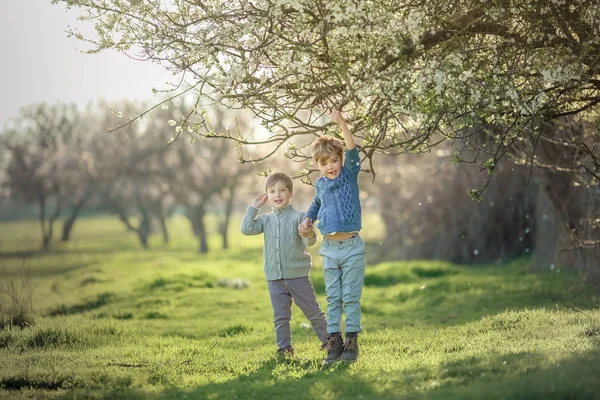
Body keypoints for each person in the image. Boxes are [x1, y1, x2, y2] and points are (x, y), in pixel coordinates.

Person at [298, 109, 365, 364]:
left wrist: (341, 123)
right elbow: (315, 205)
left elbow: (353, 151)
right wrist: (307, 220)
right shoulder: (320, 184)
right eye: (324, 164)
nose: (330, 167)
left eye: (334, 161)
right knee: (333, 297)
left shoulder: (349, 175)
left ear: (340, 160)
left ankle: (351, 342)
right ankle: (334, 342)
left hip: (352, 248)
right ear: (318, 166)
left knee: (350, 297)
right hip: (329, 249)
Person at [241, 171, 328, 359]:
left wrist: (310, 234)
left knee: (313, 312)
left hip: (297, 277)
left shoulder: (299, 217)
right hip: (274, 279)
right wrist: (254, 207)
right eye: (272, 191)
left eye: (282, 190)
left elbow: (310, 242)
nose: (277, 195)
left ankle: (329, 342)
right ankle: (284, 349)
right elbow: (246, 229)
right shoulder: (266, 220)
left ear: (290, 193)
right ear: (267, 195)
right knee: (281, 317)